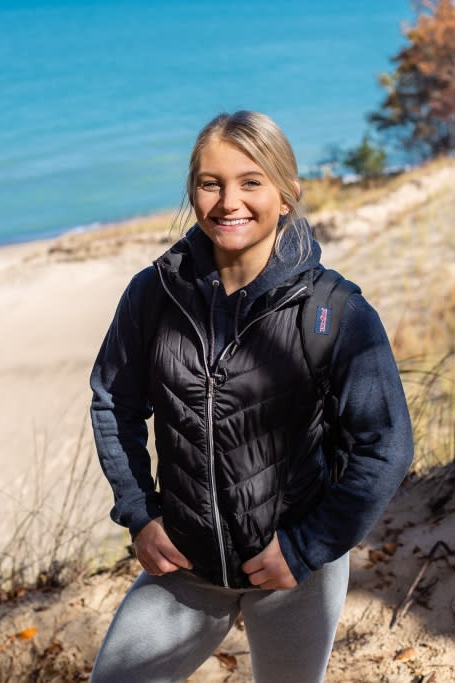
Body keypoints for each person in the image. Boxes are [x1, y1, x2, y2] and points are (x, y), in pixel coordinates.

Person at [88, 111, 413, 682]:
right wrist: (140, 513)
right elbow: (113, 401)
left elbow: (385, 445)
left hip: (293, 568)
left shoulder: (333, 311)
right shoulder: (154, 295)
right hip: (187, 561)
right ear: (193, 193)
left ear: (287, 195)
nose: (228, 201)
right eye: (211, 183)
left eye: (251, 181)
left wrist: (309, 546)